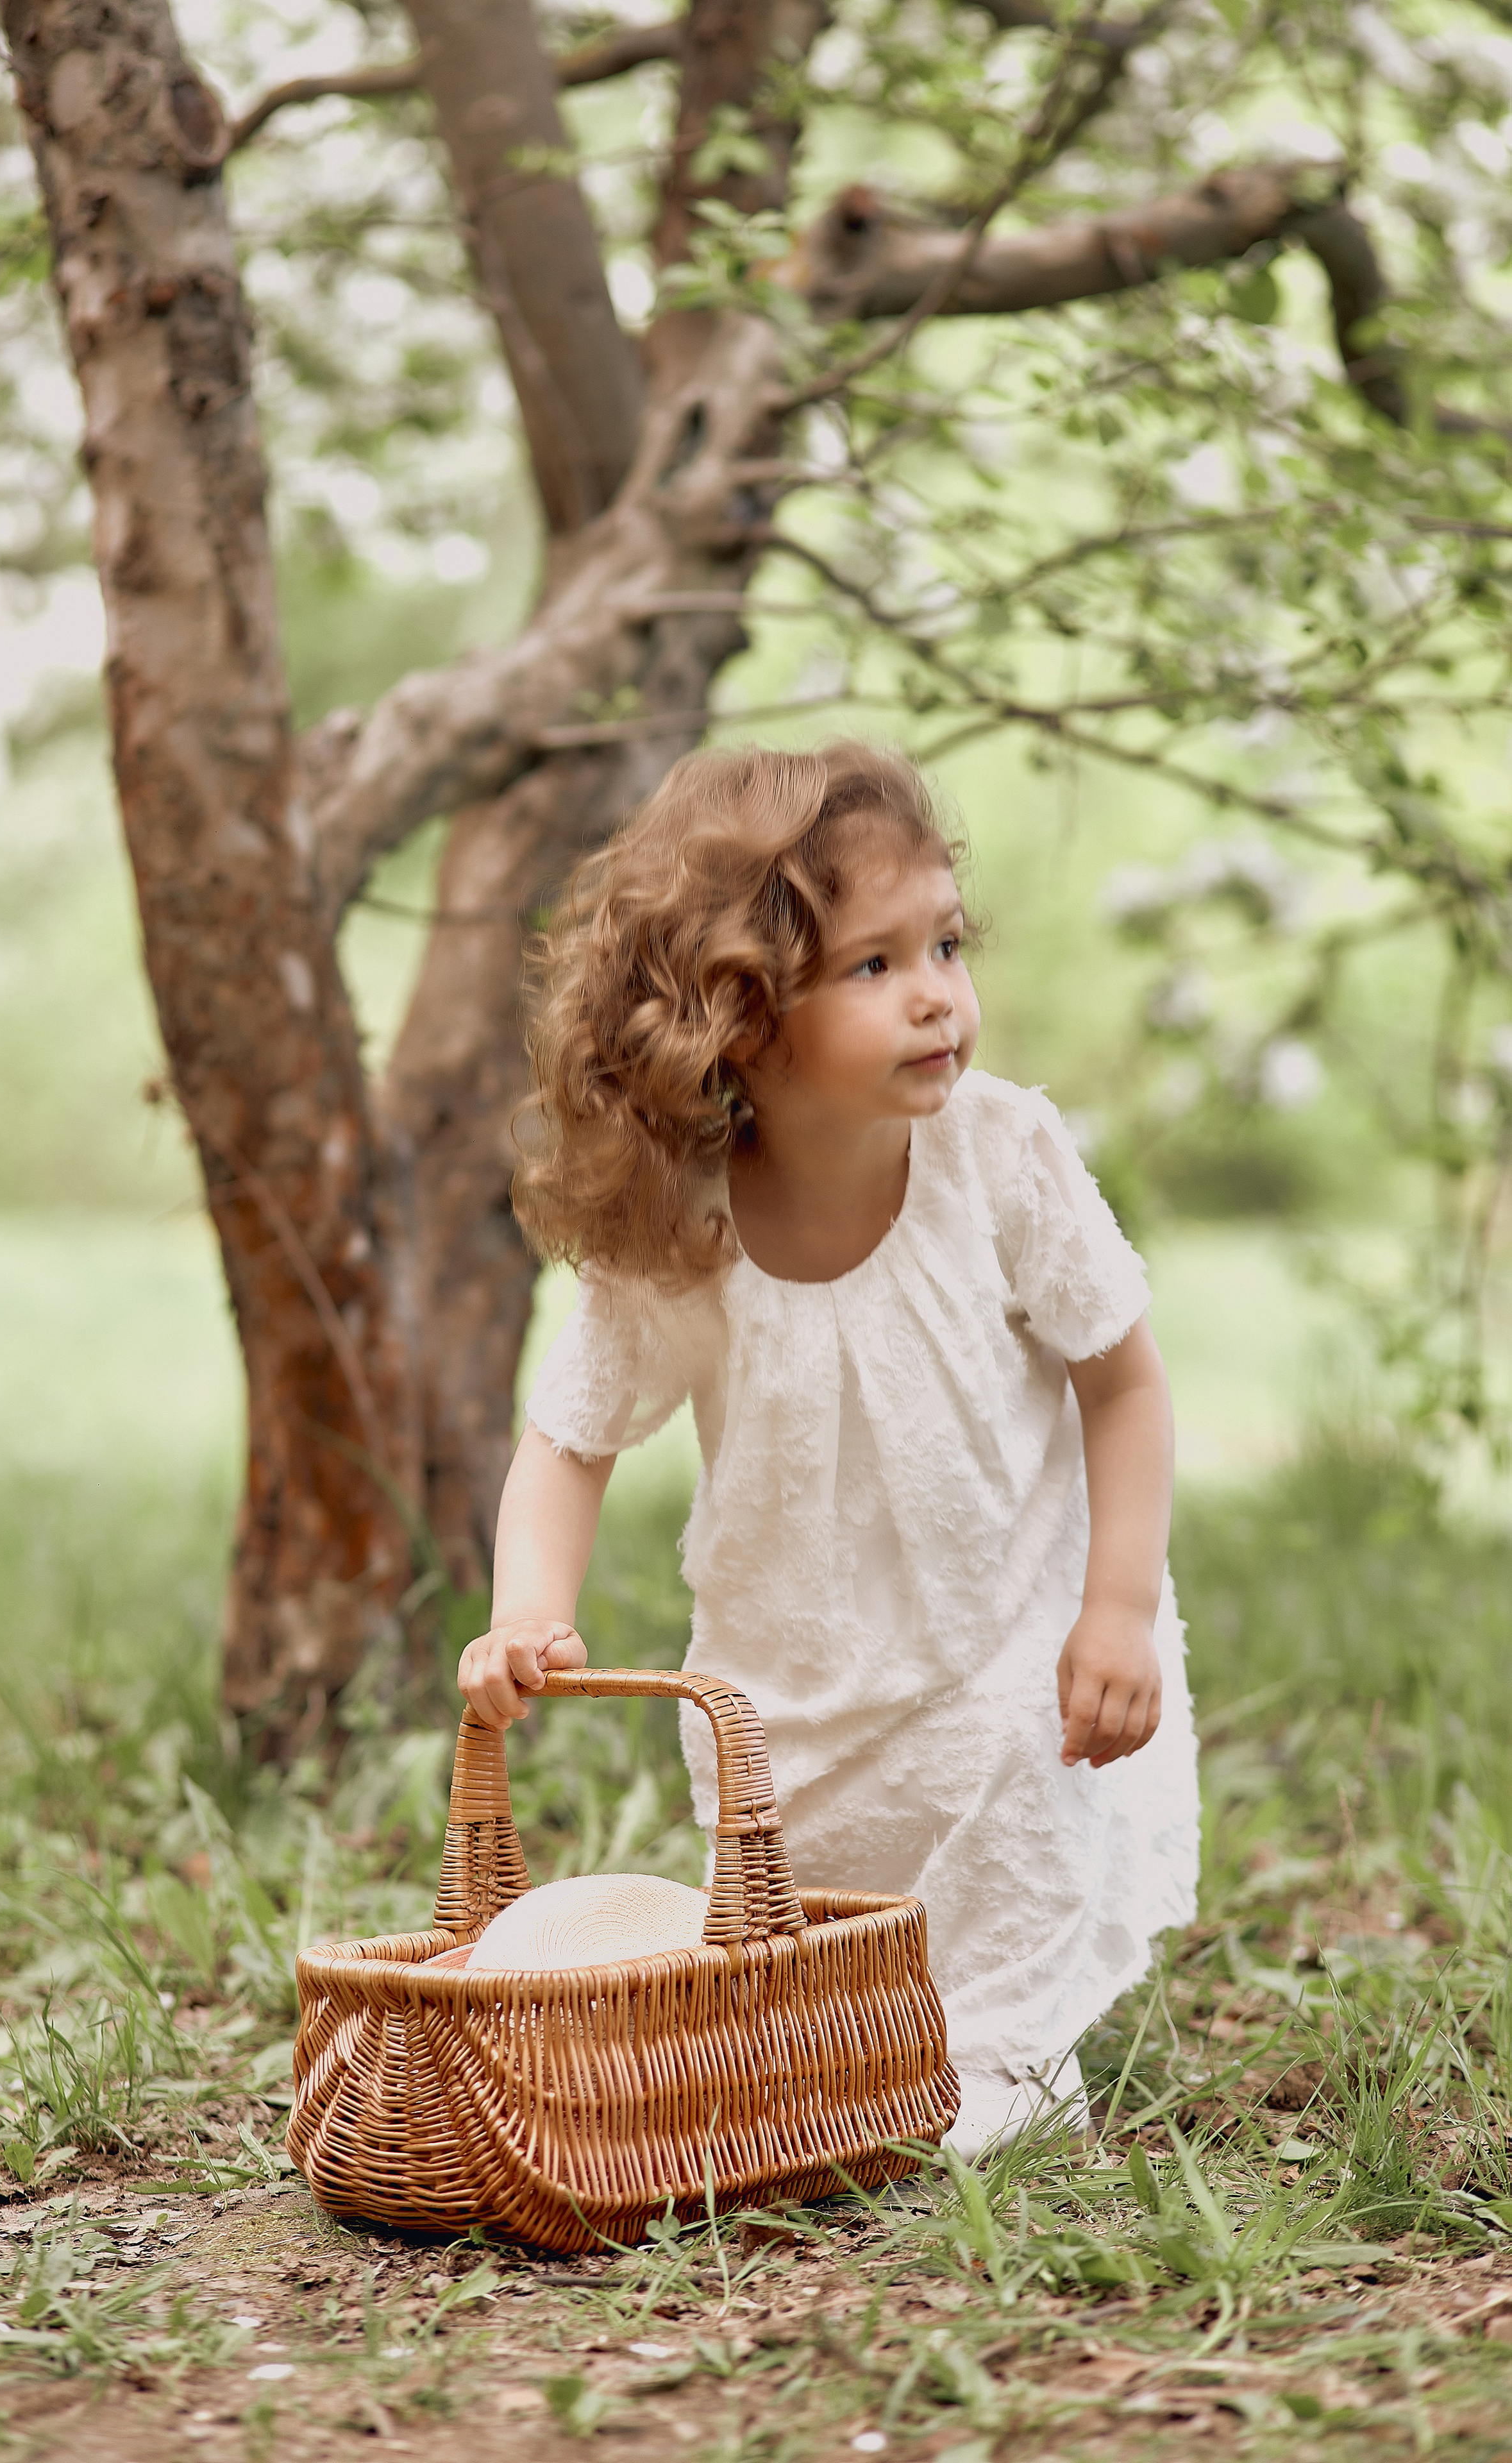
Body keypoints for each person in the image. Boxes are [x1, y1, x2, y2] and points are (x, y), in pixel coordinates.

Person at [457, 741, 1200, 2158]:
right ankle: (859, 2046)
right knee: (805, 1913)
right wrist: (527, 1614)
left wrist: (1112, 1609)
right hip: (795, 1663)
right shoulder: (681, 1227)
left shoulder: (1001, 1159)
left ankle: (1011, 2056)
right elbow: (567, 1441)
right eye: (873, 966)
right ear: (737, 1018)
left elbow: (1123, 1384)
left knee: (1008, 1799)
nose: (936, 994)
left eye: (945, 946)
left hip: (1008, 1625)